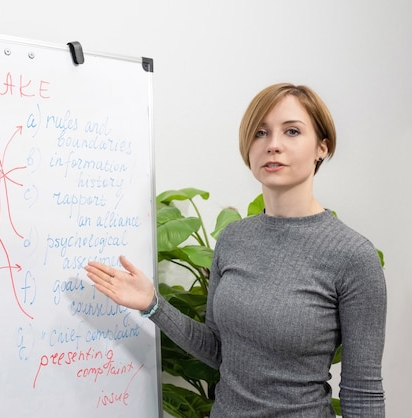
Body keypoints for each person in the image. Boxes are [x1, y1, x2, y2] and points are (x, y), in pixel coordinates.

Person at [85, 83, 387, 417]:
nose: (273, 145)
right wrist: (152, 305)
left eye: (291, 131)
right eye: (260, 133)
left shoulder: (353, 256)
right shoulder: (233, 239)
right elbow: (219, 350)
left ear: (321, 147)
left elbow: (363, 392)